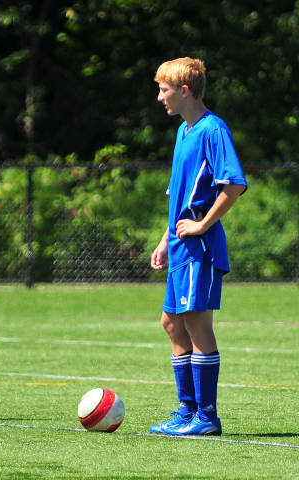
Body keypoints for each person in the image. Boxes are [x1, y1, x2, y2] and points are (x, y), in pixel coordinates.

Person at [149, 57, 247, 436]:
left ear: (185, 91)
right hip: (179, 246)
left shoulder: (212, 130)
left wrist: (203, 225)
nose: (160, 97)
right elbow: (177, 193)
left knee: (196, 324)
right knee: (172, 323)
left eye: (164, 90)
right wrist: (165, 241)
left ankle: (206, 418)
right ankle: (187, 411)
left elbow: (233, 184)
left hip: (199, 248)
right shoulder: (183, 132)